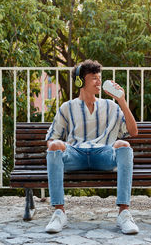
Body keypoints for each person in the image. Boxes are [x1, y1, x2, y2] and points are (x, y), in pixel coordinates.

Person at [45, 59, 139, 234]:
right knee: (55, 146)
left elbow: (133, 132)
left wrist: (122, 100)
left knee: (124, 144)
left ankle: (124, 213)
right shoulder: (67, 107)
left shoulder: (110, 106)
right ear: (81, 81)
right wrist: (61, 147)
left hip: (103, 154)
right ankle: (59, 213)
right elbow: (51, 139)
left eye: (99, 77)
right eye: (94, 78)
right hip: (75, 155)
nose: (99, 82)